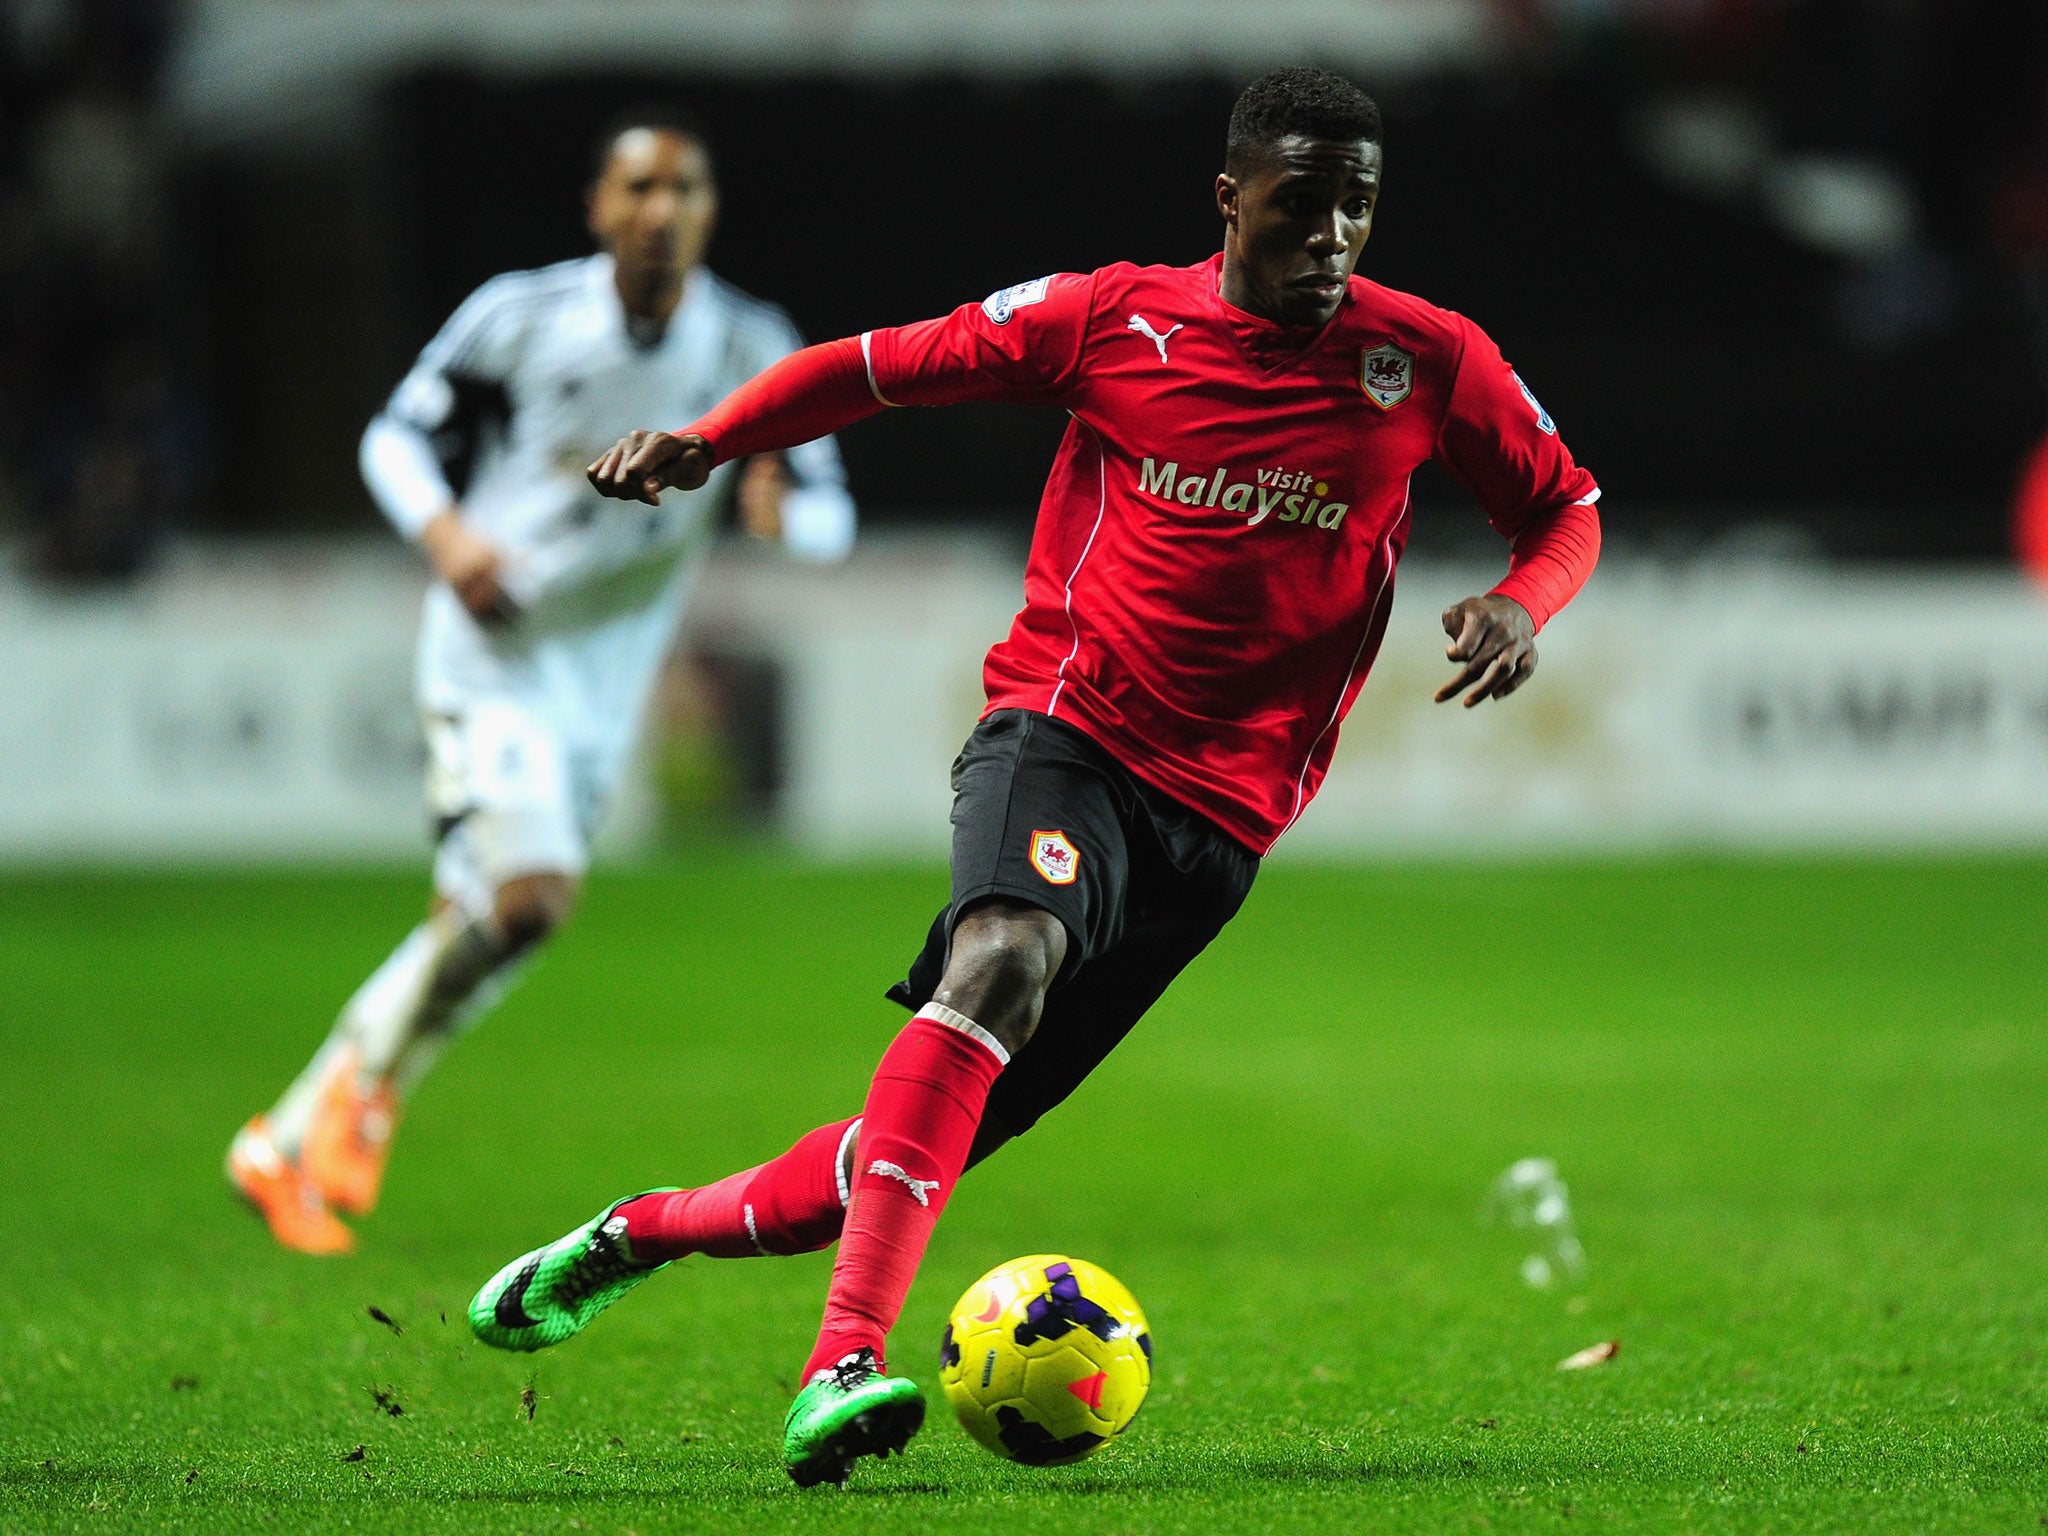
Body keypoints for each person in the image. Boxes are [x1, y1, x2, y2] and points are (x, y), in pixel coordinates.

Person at [467, 67, 1601, 1486]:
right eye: (1302, 204)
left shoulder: (1426, 359)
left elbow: (1564, 506)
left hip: (1224, 826)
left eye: (1357, 210)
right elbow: (879, 366)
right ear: (1230, 198)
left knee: (902, 1151)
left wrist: (1522, 602)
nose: (1331, 238)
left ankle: (636, 1232)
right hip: (1066, 732)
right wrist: (714, 440)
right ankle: (841, 1365)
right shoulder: (1108, 318)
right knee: (1001, 959)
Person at [226, 110, 856, 1256]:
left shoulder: (751, 341)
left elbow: (826, 506)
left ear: (711, 212)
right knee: (532, 899)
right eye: (639, 189)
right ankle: (364, 1096)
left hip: (605, 682)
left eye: (686, 190)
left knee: (489, 926)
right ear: (599, 208)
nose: (661, 211)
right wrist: (449, 537)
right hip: (495, 652)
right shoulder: (520, 316)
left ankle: (288, 1134)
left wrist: (784, 515)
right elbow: (393, 441)